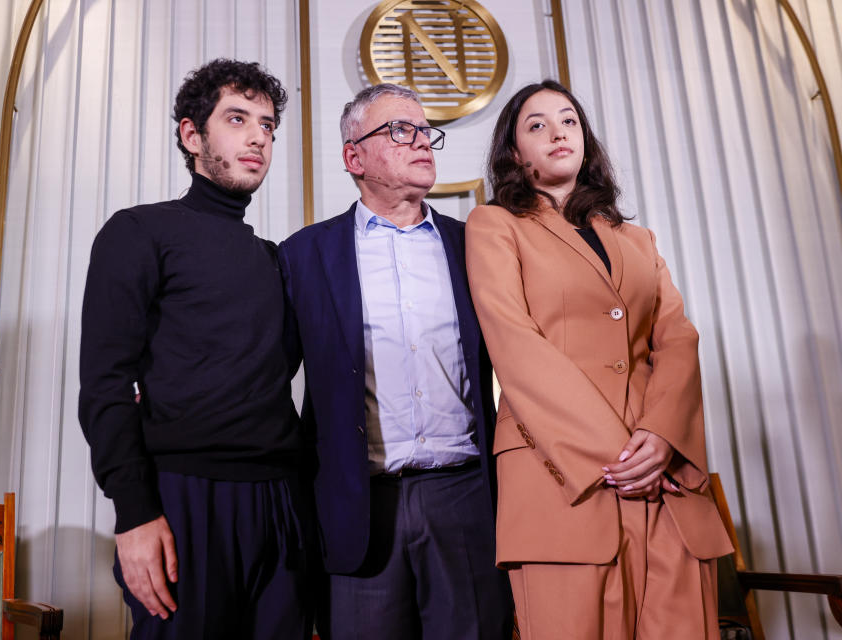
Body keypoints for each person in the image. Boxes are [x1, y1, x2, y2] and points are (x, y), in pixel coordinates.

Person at [465, 79, 734, 639]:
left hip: (662, 475)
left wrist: (662, 435)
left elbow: (677, 337)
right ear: (515, 153)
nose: (558, 132)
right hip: (561, 475)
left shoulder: (638, 240)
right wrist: (616, 452)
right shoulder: (494, 226)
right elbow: (514, 343)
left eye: (568, 120)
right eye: (536, 125)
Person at [78, 58, 311, 640]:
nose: (258, 136)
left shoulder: (274, 259)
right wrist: (134, 513)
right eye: (238, 119)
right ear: (192, 134)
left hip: (282, 502)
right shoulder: (139, 232)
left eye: (268, 126)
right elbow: (105, 383)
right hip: (184, 500)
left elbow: (278, 371)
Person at [277, 84, 513, 640]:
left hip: (465, 499)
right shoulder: (304, 255)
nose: (422, 142)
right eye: (400, 130)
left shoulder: (473, 245)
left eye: (425, 131)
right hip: (360, 505)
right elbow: (267, 375)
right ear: (353, 157)